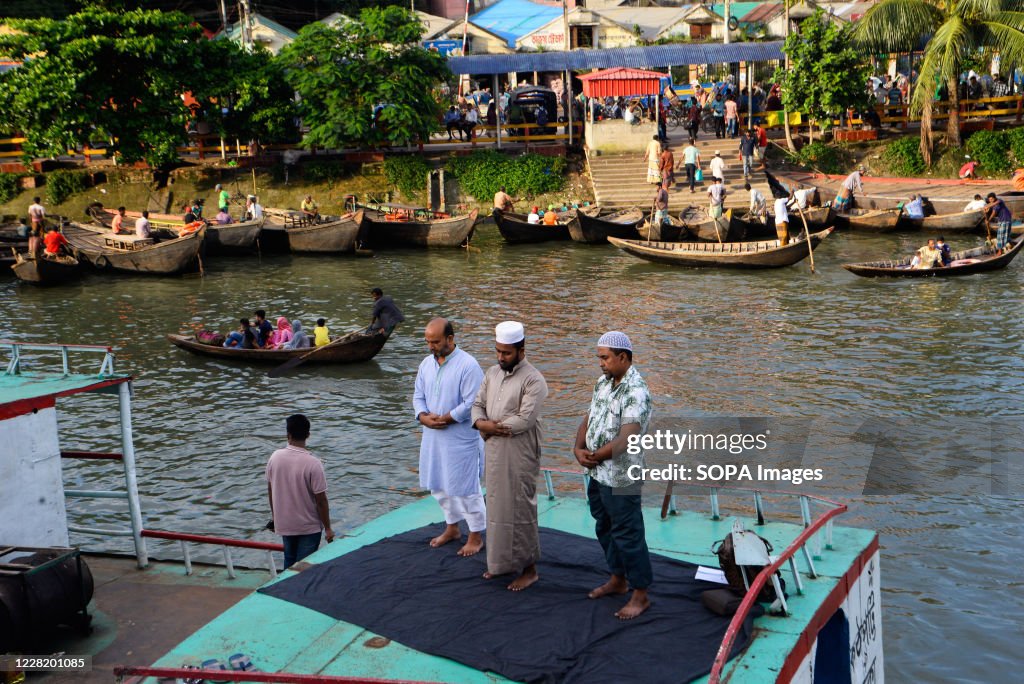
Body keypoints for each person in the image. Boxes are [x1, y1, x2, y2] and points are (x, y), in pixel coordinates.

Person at [573, 331, 653, 620]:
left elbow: (627, 438)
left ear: (623, 357)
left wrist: (593, 457)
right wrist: (578, 447)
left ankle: (640, 594)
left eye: (605, 358)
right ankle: (618, 580)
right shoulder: (603, 383)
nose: (601, 363)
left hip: (620, 475)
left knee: (628, 533)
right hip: (597, 473)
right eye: (599, 358)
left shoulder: (636, 392)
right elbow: (589, 417)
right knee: (604, 526)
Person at [471, 321, 548, 591]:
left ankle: (529, 569)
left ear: (521, 350)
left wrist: (492, 427)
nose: (501, 357)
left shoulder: (534, 379)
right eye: (498, 352)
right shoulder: (492, 373)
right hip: (493, 448)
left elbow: (525, 419)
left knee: (519, 507)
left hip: (520, 451)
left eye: (506, 353)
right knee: (496, 506)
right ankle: (500, 564)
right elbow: (478, 404)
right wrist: (481, 424)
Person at [413, 318, 486, 556]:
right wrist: (423, 416)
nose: (431, 346)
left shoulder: (468, 365)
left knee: (465, 489)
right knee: (438, 485)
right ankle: (452, 527)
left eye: (435, 341)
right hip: (433, 437)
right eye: (428, 342)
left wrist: (446, 418)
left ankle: (475, 535)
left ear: (450, 339)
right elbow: (418, 396)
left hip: (460, 438)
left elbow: (473, 402)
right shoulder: (426, 364)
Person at [266, 414, 334, 569]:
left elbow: (270, 489)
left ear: (288, 435)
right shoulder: (314, 463)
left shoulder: (274, 457)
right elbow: (321, 500)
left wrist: (276, 517)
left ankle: (284, 590)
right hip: (308, 527)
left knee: (288, 564)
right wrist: (328, 528)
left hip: (285, 524)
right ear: (308, 435)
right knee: (302, 568)